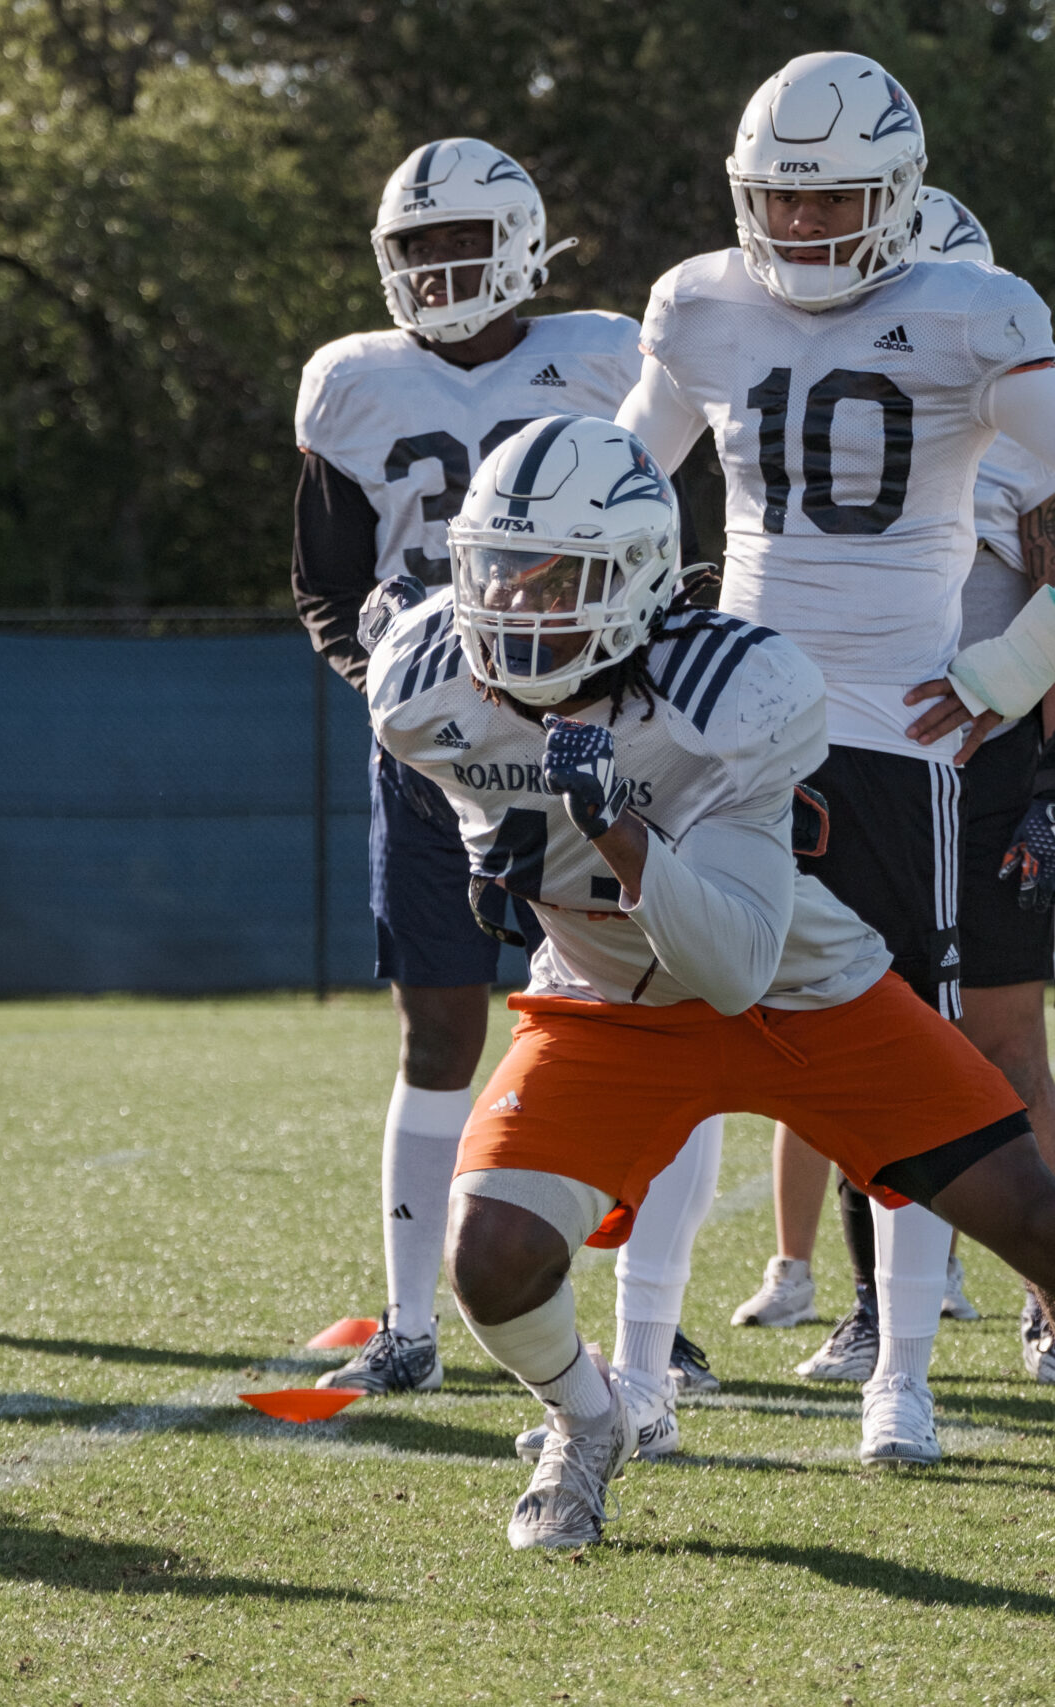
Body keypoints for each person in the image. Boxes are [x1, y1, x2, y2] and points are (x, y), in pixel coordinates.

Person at [371, 415, 1055, 1560]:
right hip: (607, 1002)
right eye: (501, 571)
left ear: (643, 578)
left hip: (798, 990)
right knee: (489, 1256)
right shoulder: (419, 682)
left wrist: (618, 832)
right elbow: (442, 758)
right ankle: (586, 1425)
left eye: (563, 579)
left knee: (1037, 1222)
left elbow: (736, 961)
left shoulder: (734, 689)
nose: (523, 606)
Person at [618, 51, 1055, 1445]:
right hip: (728, 713)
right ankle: (638, 1371)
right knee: (678, 1042)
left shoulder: (967, 313)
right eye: (782, 203)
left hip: (891, 726)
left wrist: (1018, 662)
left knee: (910, 1051)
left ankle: (904, 1377)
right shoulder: (699, 302)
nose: (804, 232)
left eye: (837, 204)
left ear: (901, 197)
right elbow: (624, 477)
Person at [289, 138, 727, 1399]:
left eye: (458, 242)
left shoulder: (604, 359)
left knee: (634, 1018)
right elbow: (325, 580)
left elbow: (661, 547)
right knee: (438, 1027)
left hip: (591, 735)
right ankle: (407, 1322)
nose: (435, 268)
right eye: (414, 246)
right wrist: (379, 679)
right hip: (437, 742)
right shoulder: (349, 383)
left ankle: (652, 1328)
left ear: (525, 245)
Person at [733, 187, 1055, 1389]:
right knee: (864, 1035)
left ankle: (1052, 1303)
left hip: (985, 775)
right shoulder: (812, 420)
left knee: (1004, 1049)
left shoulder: (1027, 443)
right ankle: (865, 1303)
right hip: (854, 762)